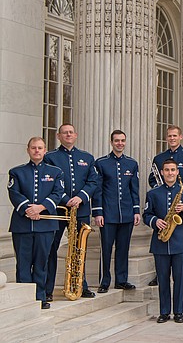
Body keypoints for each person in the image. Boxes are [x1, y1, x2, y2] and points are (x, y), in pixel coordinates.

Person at [8, 137, 64, 309]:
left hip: (45, 225)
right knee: (23, 264)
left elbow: (58, 193)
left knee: (41, 262)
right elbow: (14, 193)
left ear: (45, 150)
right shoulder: (16, 172)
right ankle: (24, 299)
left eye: (40, 148)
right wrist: (28, 209)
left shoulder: (56, 172)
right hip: (22, 225)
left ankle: (40, 297)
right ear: (28, 150)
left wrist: (40, 208)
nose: (37, 151)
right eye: (34, 148)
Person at [44, 123, 98, 300]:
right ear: (59, 136)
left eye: (71, 132)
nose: (68, 135)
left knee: (79, 249)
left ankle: (81, 286)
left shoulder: (87, 157)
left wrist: (81, 197)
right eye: (64, 133)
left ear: (76, 135)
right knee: (52, 248)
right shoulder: (50, 157)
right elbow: (49, 182)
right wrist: (66, 199)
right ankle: (47, 289)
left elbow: (93, 182)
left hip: (81, 209)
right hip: (58, 210)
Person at [143, 159, 183, 323]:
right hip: (160, 242)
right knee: (163, 279)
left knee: (181, 279)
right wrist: (155, 221)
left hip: (181, 243)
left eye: (173, 170)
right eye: (166, 170)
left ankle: (179, 312)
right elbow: (146, 214)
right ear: (162, 172)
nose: (170, 173)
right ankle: (164, 312)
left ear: (177, 172)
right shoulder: (153, 193)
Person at [148, 125, 183, 286]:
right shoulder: (159, 158)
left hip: (181, 204)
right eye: (169, 136)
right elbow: (152, 179)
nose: (172, 138)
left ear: (180, 137)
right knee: (161, 238)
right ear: (166, 138)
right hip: (163, 205)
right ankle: (160, 273)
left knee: (182, 238)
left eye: (175, 136)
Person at [92, 130, 141, 293]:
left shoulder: (132, 164)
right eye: (117, 141)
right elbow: (97, 190)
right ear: (111, 142)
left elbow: (135, 189)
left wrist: (136, 210)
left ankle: (121, 279)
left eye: (122, 141)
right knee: (106, 248)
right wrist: (98, 212)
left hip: (126, 213)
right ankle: (104, 281)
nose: (120, 143)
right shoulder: (101, 163)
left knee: (123, 247)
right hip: (107, 214)